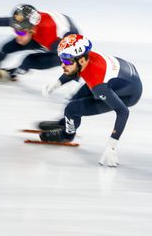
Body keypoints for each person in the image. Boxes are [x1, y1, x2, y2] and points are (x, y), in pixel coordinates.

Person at [38, 34, 143, 167]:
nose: (62, 65)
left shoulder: (98, 84)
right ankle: (65, 123)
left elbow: (123, 112)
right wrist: (56, 84)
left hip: (127, 95)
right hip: (121, 79)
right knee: (75, 99)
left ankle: (67, 135)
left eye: (66, 61)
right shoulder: (86, 58)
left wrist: (112, 144)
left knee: (71, 109)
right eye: (62, 59)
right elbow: (74, 71)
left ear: (81, 61)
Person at [0, 4, 79, 81]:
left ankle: (11, 74)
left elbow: (77, 60)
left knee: (29, 61)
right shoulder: (24, 22)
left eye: (20, 32)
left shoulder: (53, 39)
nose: (18, 35)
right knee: (7, 47)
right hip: (43, 36)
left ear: (32, 30)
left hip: (62, 44)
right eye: (16, 30)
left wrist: (74, 84)